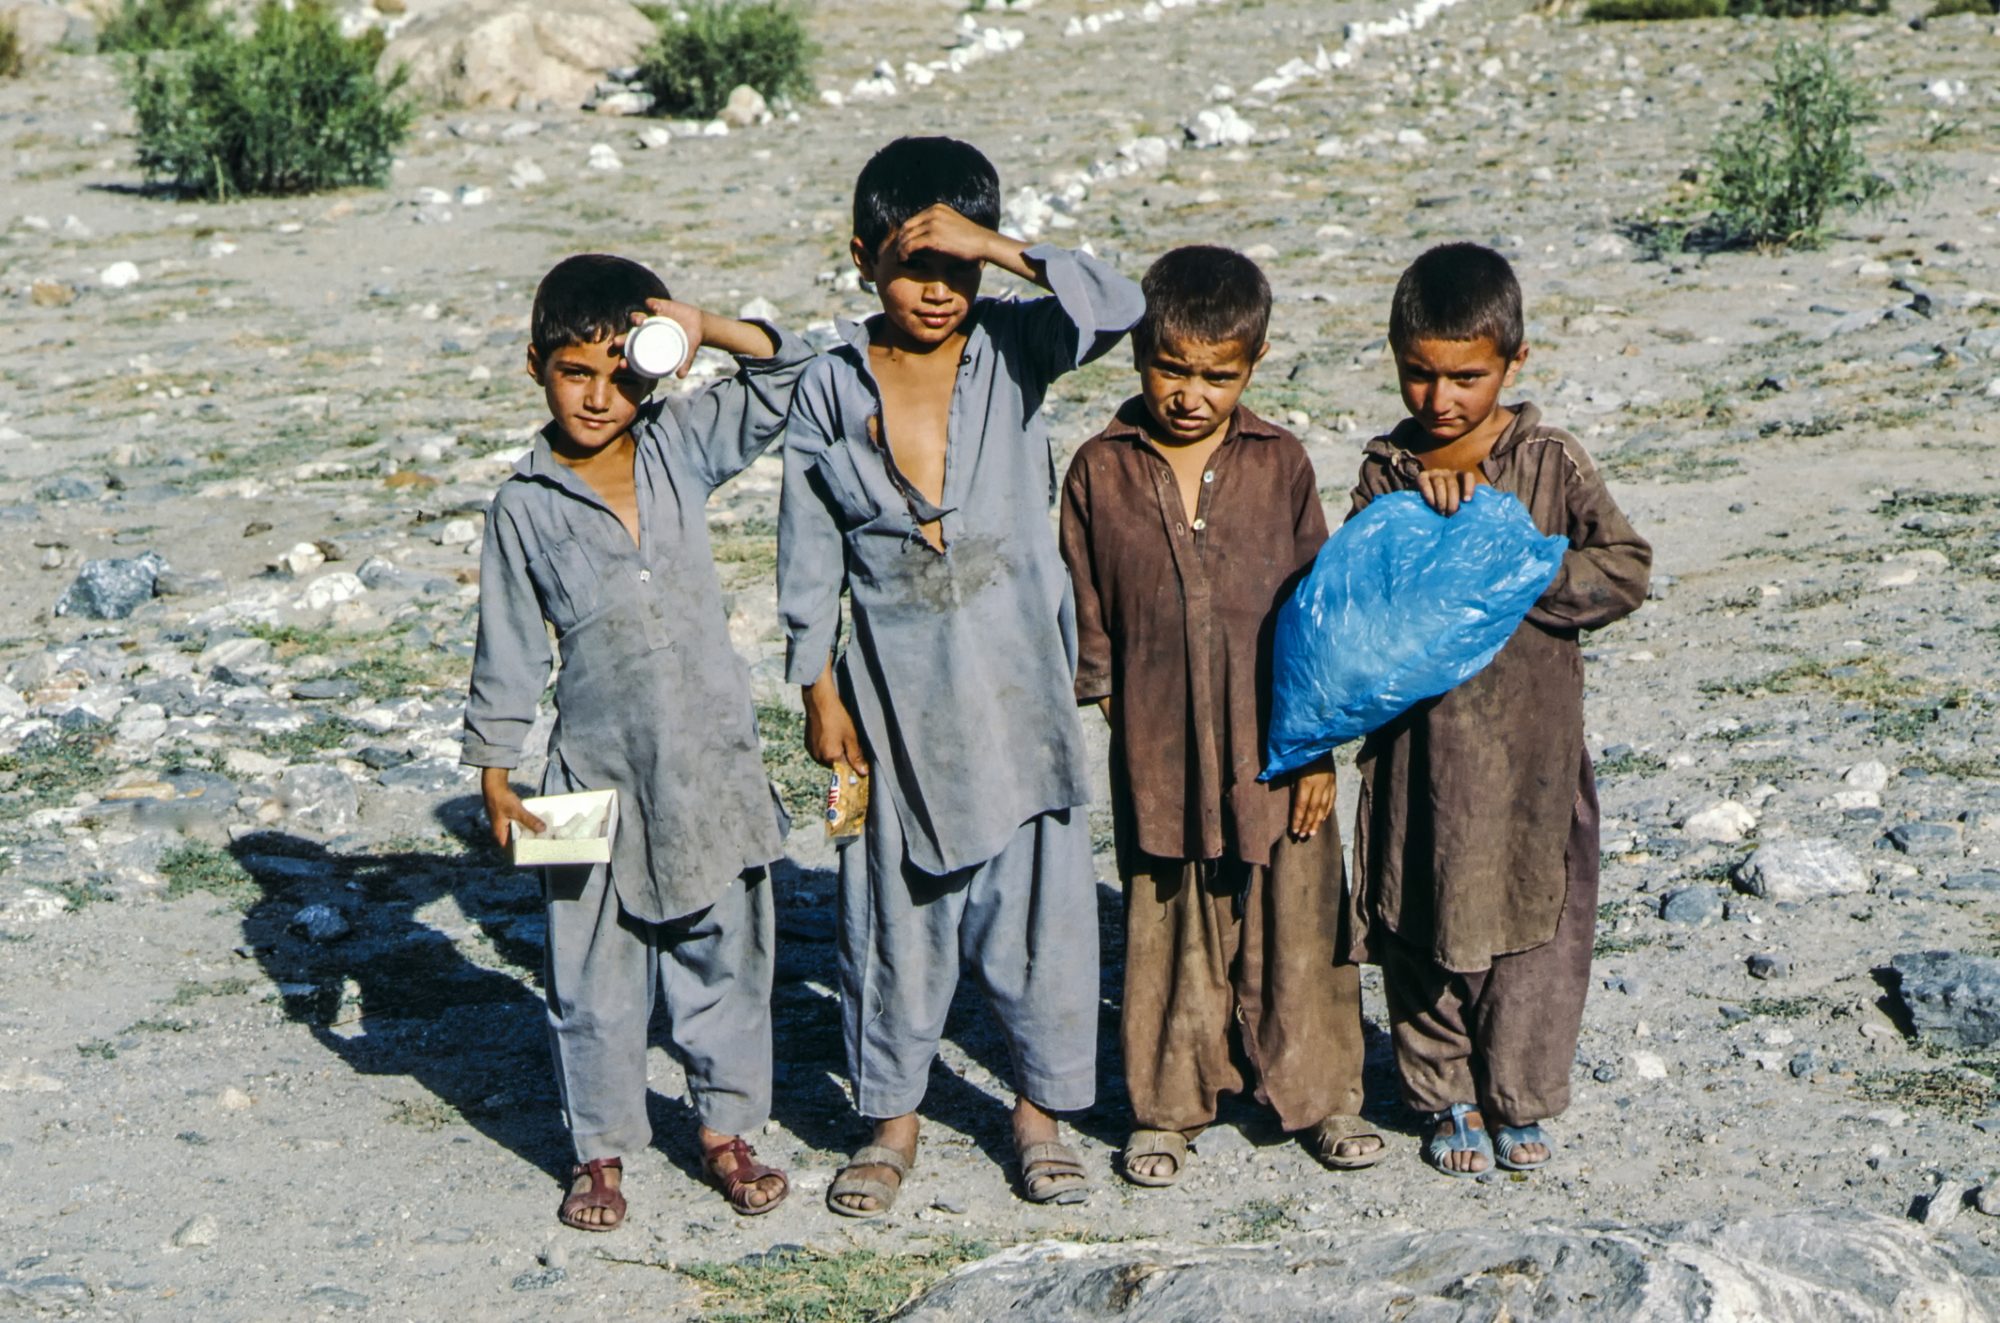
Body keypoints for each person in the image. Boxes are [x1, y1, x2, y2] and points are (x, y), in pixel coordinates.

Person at [776, 135, 1144, 1216]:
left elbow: (1122, 308)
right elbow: (806, 552)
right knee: (886, 911)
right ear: (860, 259)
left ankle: (1039, 1111)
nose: (935, 292)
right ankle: (890, 1121)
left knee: (1039, 909)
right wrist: (815, 687)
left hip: (1018, 685)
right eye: (910, 265)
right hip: (890, 702)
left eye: (954, 270)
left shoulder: (1017, 344)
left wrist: (997, 245)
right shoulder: (829, 387)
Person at [462, 253, 812, 1228]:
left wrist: (702, 323)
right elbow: (507, 647)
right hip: (585, 771)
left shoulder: (680, 445)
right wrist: (494, 772)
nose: (601, 396)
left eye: (625, 373)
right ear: (536, 364)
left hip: (710, 757)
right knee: (588, 974)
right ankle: (600, 1151)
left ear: (655, 372)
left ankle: (725, 1132)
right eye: (578, 371)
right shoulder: (522, 506)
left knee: (727, 958)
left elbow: (787, 375)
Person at [1058, 245, 1379, 1189]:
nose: (1191, 393)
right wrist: (1127, 721)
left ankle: (1322, 1096)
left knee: (1299, 916)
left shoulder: (1279, 463)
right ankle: (1167, 1107)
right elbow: (1089, 621)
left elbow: (1318, 614)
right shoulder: (1099, 470)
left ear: (1255, 362)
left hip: (1280, 746)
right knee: (1168, 924)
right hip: (1159, 747)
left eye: (1217, 375)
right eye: (1171, 367)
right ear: (1138, 353)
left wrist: (1317, 749)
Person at [1348, 242, 1651, 1177]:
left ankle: (1519, 1093)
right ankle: (1445, 1095)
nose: (1440, 400)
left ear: (1515, 362)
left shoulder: (1550, 461)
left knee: (1536, 920)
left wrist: (1510, 554)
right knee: (1420, 915)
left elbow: (1626, 569)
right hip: (1420, 754)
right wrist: (1425, 536)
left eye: (1466, 377)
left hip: (1532, 752)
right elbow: (1357, 601)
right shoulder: (1388, 470)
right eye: (1420, 375)